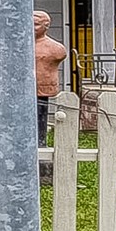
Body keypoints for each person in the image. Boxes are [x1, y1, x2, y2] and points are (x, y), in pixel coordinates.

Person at [34, 10, 68, 145]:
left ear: (46, 26)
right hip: (26, 88)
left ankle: (41, 144)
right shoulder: (21, 47)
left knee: (40, 117)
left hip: (43, 88)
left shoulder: (56, 49)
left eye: (36, 24)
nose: (32, 28)